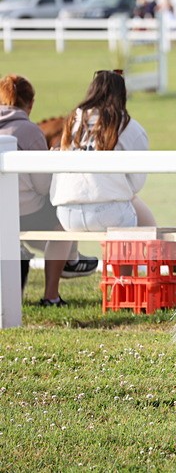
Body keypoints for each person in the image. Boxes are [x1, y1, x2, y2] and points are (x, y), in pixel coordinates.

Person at [0, 74, 98, 306]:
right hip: (22, 212)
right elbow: (43, 185)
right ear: (30, 103)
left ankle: (68, 259)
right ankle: (53, 290)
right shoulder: (28, 131)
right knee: (64, 218)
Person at [50, 70, 154, 232]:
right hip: (109, 214)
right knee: (137, 213)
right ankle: (155, 256)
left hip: (67, 214)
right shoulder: (128, 126)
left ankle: (70, 258)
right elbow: (136, 183)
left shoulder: (72, 122)